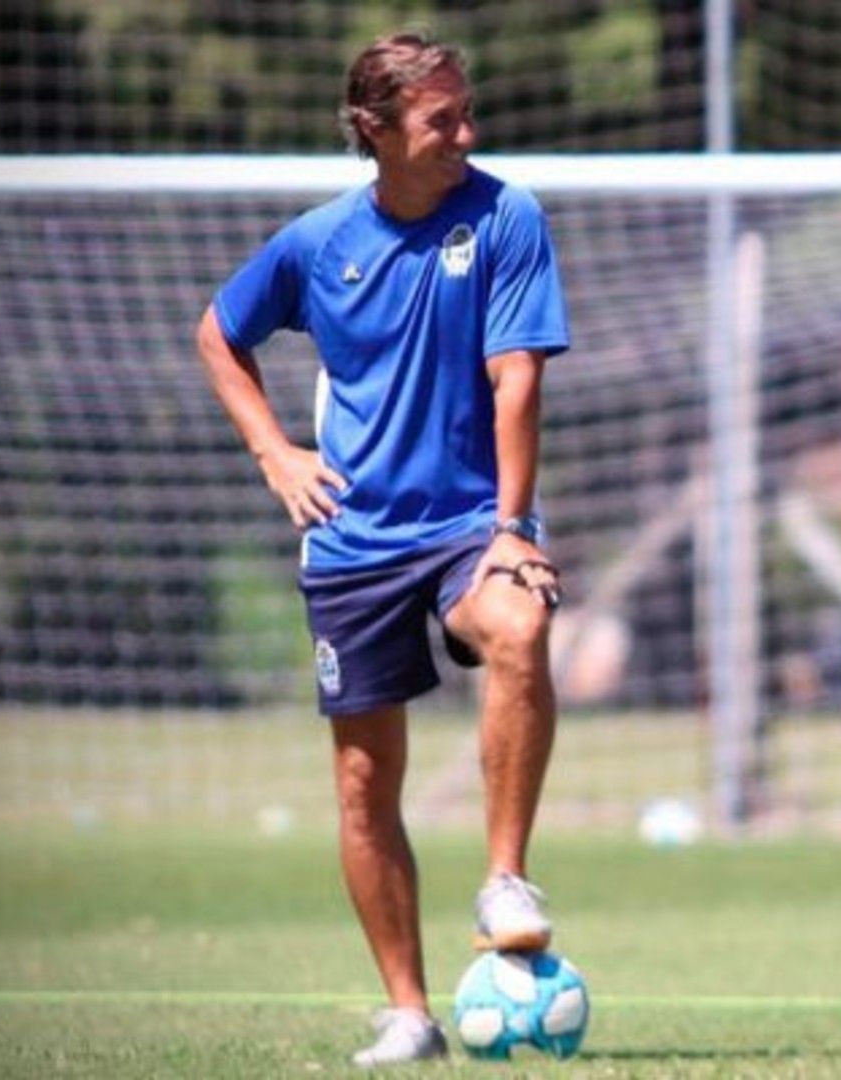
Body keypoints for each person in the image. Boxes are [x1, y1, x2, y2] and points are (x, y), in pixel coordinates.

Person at [195, 31, 570, 1067]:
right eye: (441, 119)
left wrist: (513, 529)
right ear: (376, 133)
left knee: (522, 624)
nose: (466, 133)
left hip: (466, 526)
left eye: (466, 111)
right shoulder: (318, 244)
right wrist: (276, 453)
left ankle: (505, 878)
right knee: (364, 782)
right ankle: (410, 1014)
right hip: (353, 538)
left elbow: (518, 380)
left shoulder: (505, 216)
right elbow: (219, 335)